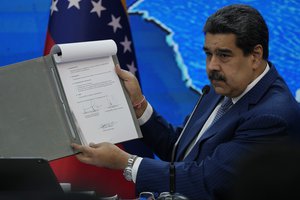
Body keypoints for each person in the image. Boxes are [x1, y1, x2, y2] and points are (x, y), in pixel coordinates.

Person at [71, 4, 300, 200]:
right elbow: (181, 152)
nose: (211, 66)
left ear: (255, 56)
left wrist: (127, 163)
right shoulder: (222, 88)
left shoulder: (271, 117)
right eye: (208, 54)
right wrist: (138, 104)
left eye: (224, 55)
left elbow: (206, 181)